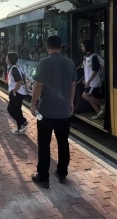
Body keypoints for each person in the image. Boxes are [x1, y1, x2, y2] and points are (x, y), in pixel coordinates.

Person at [30, 35, 77, 189]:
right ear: (61, 46)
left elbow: (38, 85)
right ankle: (62, 173)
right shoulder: (70, 63)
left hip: (45, 112)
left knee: (44, 144)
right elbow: (73, 84)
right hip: (64, 111)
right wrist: (70, 102)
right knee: (63, 142)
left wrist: (32, 104)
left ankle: (43, 177)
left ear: (47, 46)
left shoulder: (44, 62)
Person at [80, 39, 105, 119]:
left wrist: (88, 81)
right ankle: (99, 113)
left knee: (85, 95)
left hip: (94, 82)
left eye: (82, 46)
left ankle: (102, 104)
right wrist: (85, 79)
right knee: (89, 97)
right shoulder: (86, 57)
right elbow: (87, 70)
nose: (81, 48)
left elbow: (95, 71)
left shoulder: (94, 57)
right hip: (89, 81)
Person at [6, 53, 28, 134]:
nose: (6, 59)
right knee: (17, 110)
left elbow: (19, 81)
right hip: (21, 92)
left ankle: (23, 122)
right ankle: (20, 129)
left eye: (7, 58)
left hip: (17, 93)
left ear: (10, 59)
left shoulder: (14, 69)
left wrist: (14, 91)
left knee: (10, 109)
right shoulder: (17, 67)